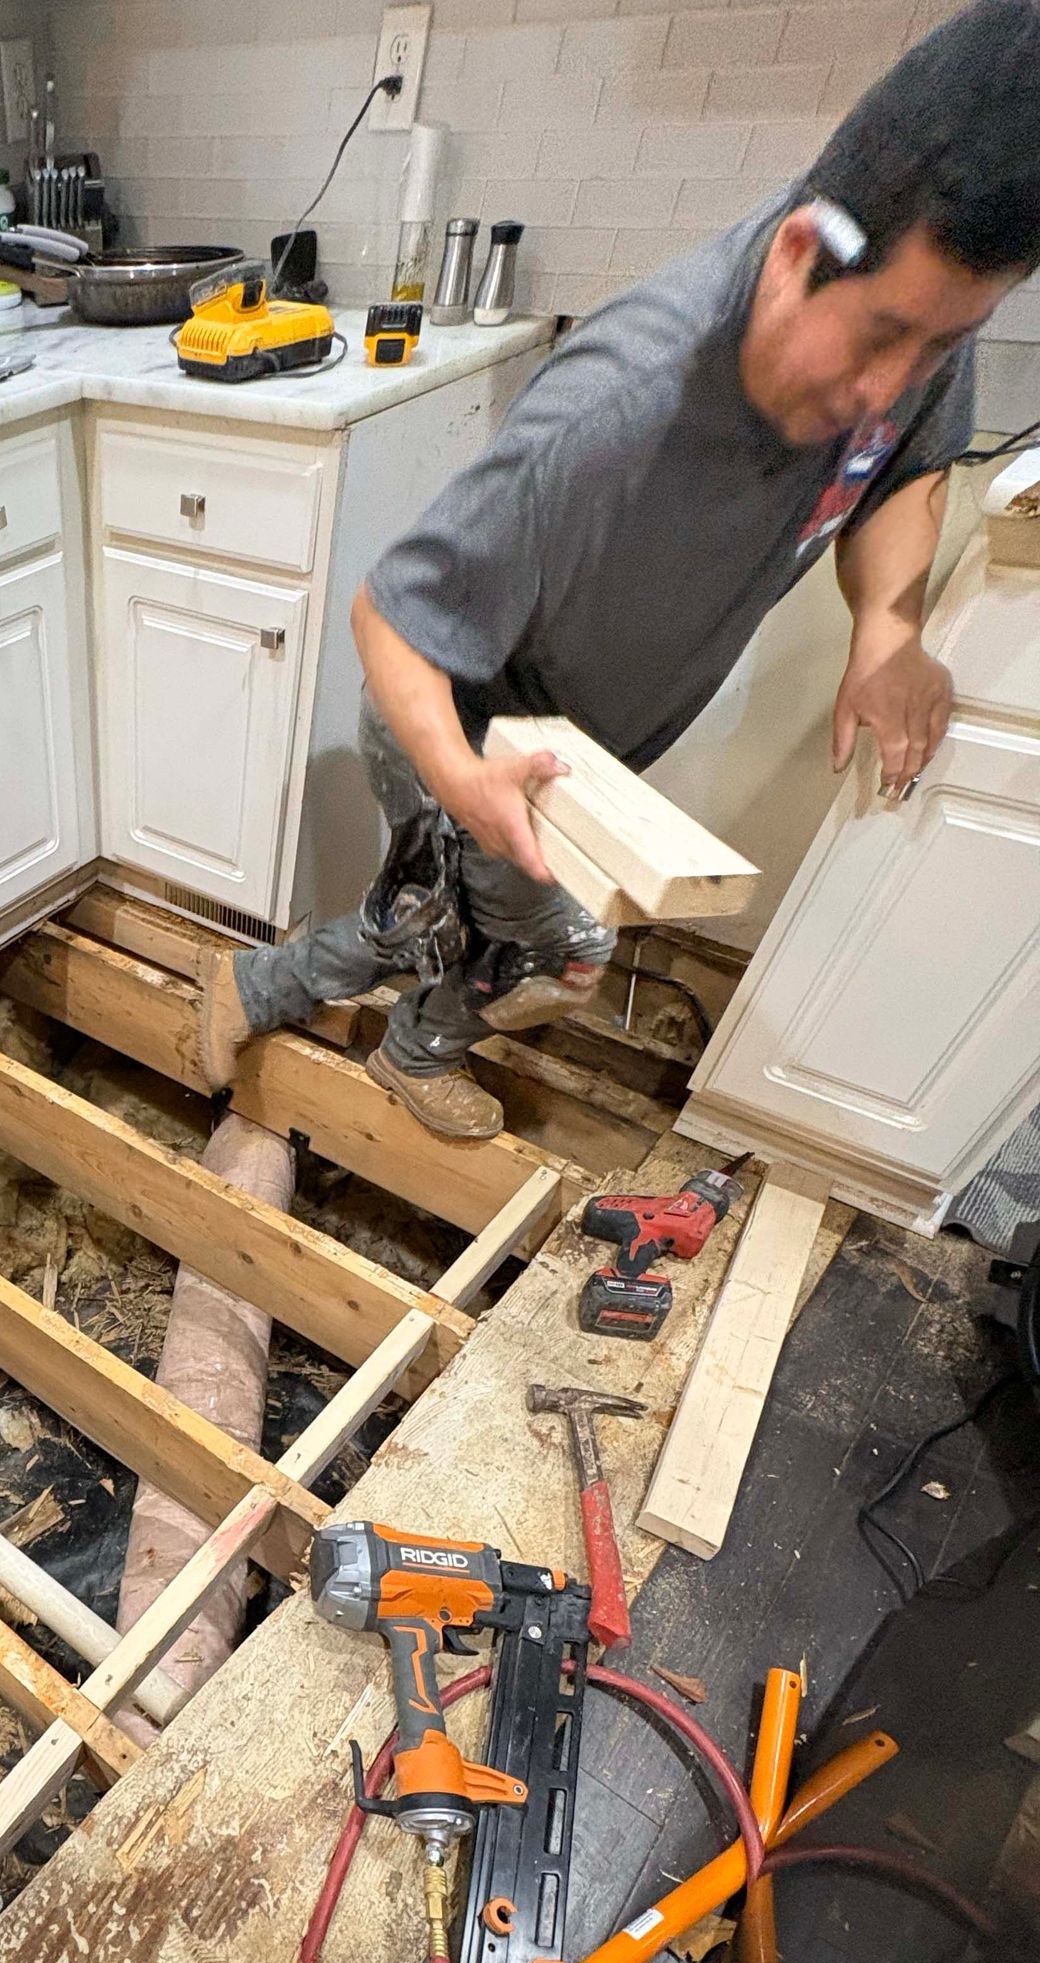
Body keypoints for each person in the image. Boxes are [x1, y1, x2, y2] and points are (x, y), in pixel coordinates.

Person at [199, 0, 1040, 1139]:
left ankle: (322, 1001)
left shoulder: (911, 307)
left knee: (443, 914)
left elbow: (907, 470)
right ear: (798, 257)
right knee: (556, 945)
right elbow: (390, 617)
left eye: (942, 342)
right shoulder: (611, 413)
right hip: (463, 721)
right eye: (889, 339)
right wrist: (461, 779)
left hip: (573, 748)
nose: (900, 381)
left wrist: (887, 629)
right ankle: (367, 1025)